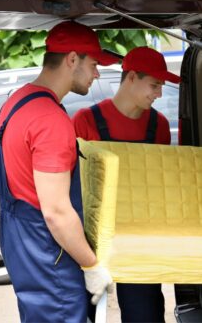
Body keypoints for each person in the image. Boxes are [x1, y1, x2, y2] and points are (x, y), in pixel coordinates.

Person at [0, 20, 120, 323]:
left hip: (20, 241)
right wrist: (91, 266)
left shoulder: (17, 101)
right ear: (72, 59)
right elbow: (56, 212)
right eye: (94, 64)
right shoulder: (51, 120)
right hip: (49, 253)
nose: (97, 73)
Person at [72, 46, 181, 323]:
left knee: (144, 314)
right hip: (91, 237)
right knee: (82, 312)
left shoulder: (159, 125)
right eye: (154, 85)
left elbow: (158, 183)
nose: (159, 94)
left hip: (138, 237)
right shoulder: (86, 120)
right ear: (131, 77)